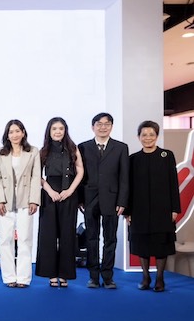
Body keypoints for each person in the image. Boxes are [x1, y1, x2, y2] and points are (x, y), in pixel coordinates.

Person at [126, 120, 180, 292]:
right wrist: (127, 211)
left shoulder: (167, 155)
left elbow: (173, 183)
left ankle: (160, 279)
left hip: (163, 208)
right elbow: (128, 187)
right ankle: (145, 277)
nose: (148, 138)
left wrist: (175, 208)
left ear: (157, 136)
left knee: (161, 244)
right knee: (142, 244)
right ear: (138, 137)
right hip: (138, 209)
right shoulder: (133, 159)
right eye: (144, 135)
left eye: (151, 134)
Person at [78, 112, 129, 289]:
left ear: (111, 127)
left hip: (112, 199)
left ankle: (108, 277)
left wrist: (122, 201)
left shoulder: (121, 148)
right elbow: (79, 175)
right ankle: (93, 276)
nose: (103, 127)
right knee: (91, 238)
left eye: (107, 124)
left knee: (110, 239)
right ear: (93, 127)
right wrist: (80, 199)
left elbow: (124, 177)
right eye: (99, 124)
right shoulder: (83, 147)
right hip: (89, 199)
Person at [35, 117, 84, 288]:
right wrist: (49, 191)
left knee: (67, 234)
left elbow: (80, 170)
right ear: (49, 131)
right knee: (48, 234)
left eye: (61, 128)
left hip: (69, 193)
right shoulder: (43, 151)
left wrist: (70, 190)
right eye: (54, 128)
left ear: (65, 130)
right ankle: (51, 274)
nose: (58, 132)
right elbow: (37, 175)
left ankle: (65, 274)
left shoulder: (73, 148)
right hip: (50, 194)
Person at [0, 119, 41, 288]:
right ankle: (9, 277)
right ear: (7, 135)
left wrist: (34, 199)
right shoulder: (0, 153)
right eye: (11, 132)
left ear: (23, 132)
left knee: (25, 239)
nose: (14, 135)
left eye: (17, 131)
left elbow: (36, 176)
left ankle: (23, 278)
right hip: (5, 201)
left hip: (25, 200)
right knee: (5, 239)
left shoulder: (33, 151)